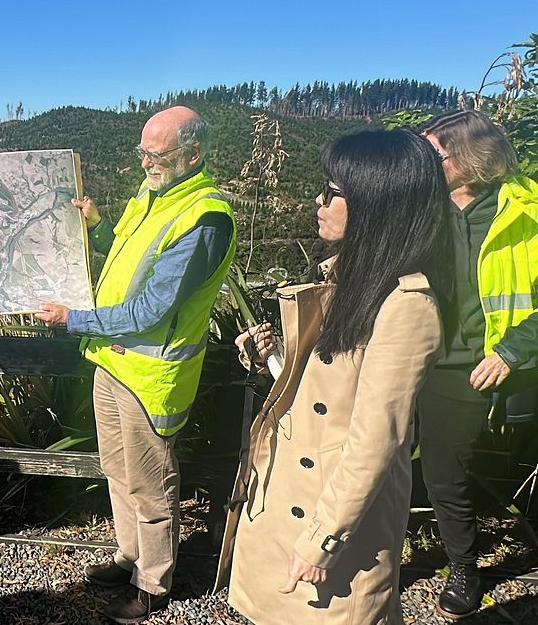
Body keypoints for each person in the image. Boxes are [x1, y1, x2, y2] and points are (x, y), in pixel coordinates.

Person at [216, 129, 451, 624]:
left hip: (335, 514)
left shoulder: (408, 306)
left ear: (377, 203)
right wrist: (272, 357)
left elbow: (376, 441)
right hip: (288, 494)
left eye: (333, 191)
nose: (319, 201)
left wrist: (322, 539)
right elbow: (325, 388)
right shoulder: (347, 278)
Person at [36, 106, 236, 623]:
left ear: (192, 156)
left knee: (151, 485)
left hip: (150, 374)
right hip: (114, 363)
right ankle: (130, 558)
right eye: (142, 150)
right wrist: (99, 227)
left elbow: (152, 310)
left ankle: (152, 584)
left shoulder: (203, 217)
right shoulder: (154, 196)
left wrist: (73, 319)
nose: (144, 161)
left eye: (155, 153)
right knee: (116, 471)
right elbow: (122, 259)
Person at [417, 109, 538, 619]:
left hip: (501, 365)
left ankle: (492, 556)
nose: (425, 163)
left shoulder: (527, 213)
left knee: (492, 471)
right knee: (441, 473)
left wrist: (512, 351)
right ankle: (463, 562)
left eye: (435, 153)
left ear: (468, 157)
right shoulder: (421, 211)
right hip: (434, 361)